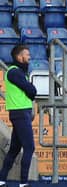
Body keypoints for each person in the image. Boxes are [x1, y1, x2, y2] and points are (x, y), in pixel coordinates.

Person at [0, 45, 37, 187]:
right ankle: (23, 182)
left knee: (14, 149)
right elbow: (31, 90)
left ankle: (2, 179)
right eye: (27, 54)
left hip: (21, 113)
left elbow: (30, 91)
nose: (29, 57)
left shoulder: (19, 72)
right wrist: (32, 90)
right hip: (20, 113)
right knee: (29, 147)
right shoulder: (14, 72)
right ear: (19, 57)